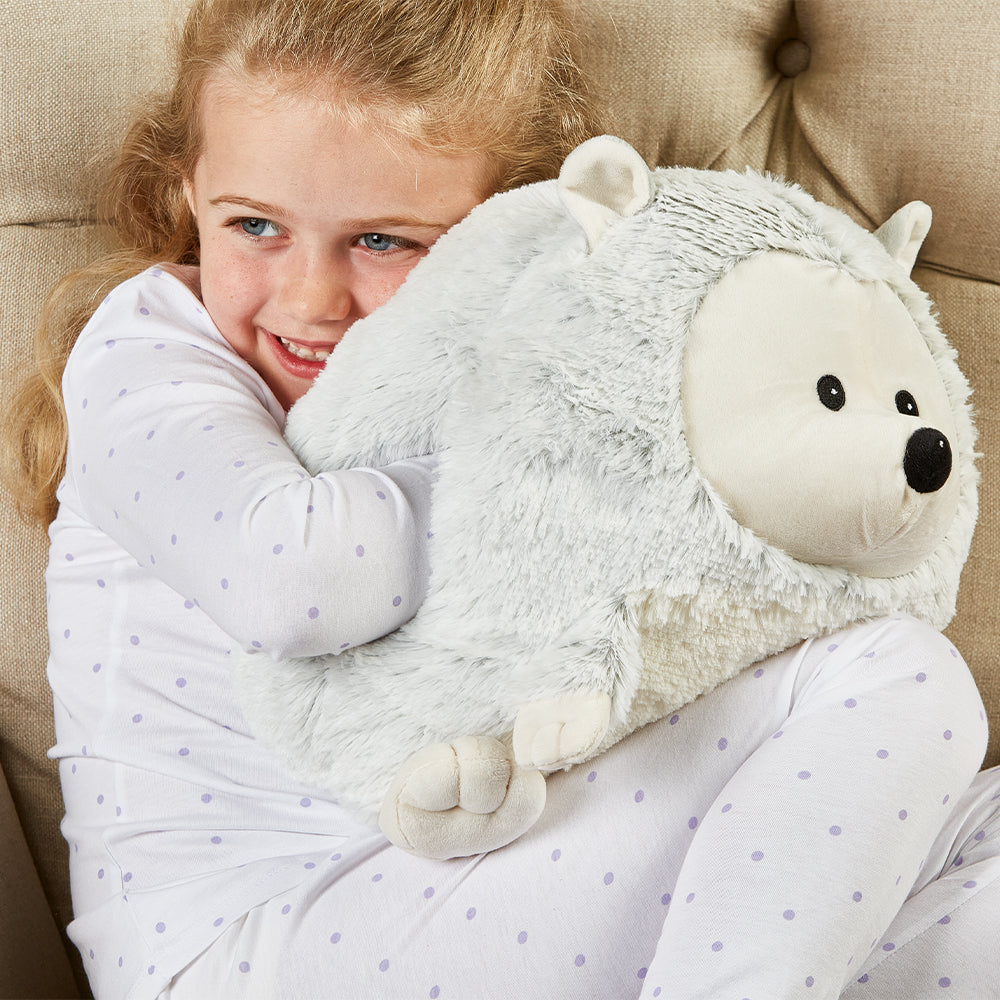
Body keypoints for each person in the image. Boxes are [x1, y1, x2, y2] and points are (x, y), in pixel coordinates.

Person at [3, 0, 999, 997]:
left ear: (505, 228)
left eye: (383, 241)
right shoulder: (147, 346)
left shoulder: (504, 357)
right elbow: (293, 583)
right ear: (190, 193)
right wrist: (578, 454)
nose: (309, 300)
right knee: (894, 672)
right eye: (254, 225)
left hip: (487, 875)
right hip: (249, 951)